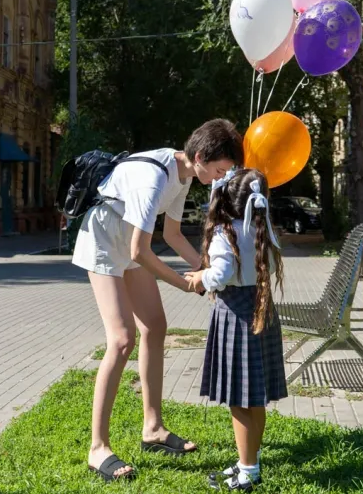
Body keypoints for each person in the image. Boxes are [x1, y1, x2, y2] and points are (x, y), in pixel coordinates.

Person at [73, 119, 244, 483]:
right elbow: (141, 250)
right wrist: (187, 284)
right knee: (121, 341)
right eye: (218, 170)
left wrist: (208, 269)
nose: (219, 178)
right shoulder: (155, 178)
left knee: (155, 327)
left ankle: (152, 428)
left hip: (131, 241)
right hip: (104, 239)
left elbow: (172, 233)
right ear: (200, 157)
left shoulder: (182, 175)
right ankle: (97, 447)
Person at [184, 168, 286, 492]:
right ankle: (249, 462)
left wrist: (200, 278)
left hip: (237, 318)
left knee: (239, 401)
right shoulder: (263, 228)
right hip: (262, 311)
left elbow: (220, 273)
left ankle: (248, 471)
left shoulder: (225, 232)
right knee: (256, 399)